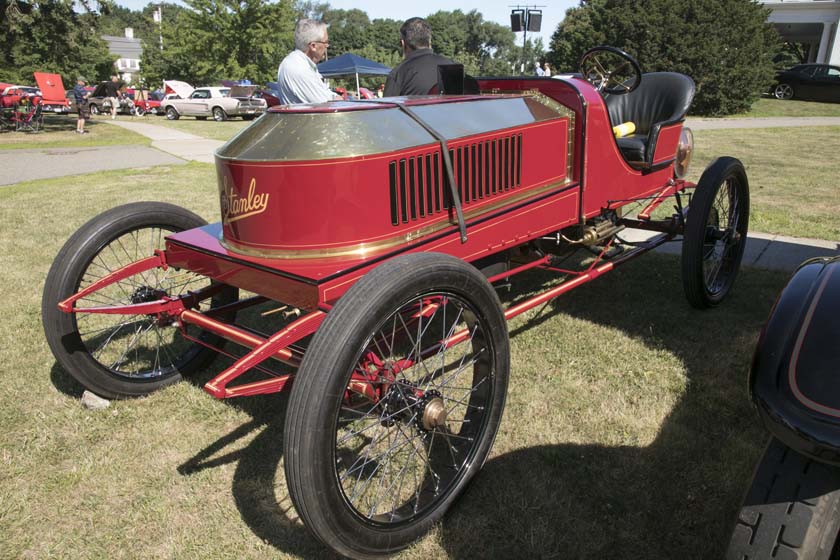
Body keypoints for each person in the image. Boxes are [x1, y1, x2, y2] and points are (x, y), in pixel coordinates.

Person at [276, 19, 342, 105]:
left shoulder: (302, 64)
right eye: (325, 42)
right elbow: (325, 105)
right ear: (313, 46)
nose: (327, 46)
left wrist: (336, 98)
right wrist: (337, 99)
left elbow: (327, 96)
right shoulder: (298, 68)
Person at [383, 17, 454, 96]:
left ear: (403, 44)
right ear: (429, 41)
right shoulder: (451, 66)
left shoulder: (398, 73)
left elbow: (387, 107)